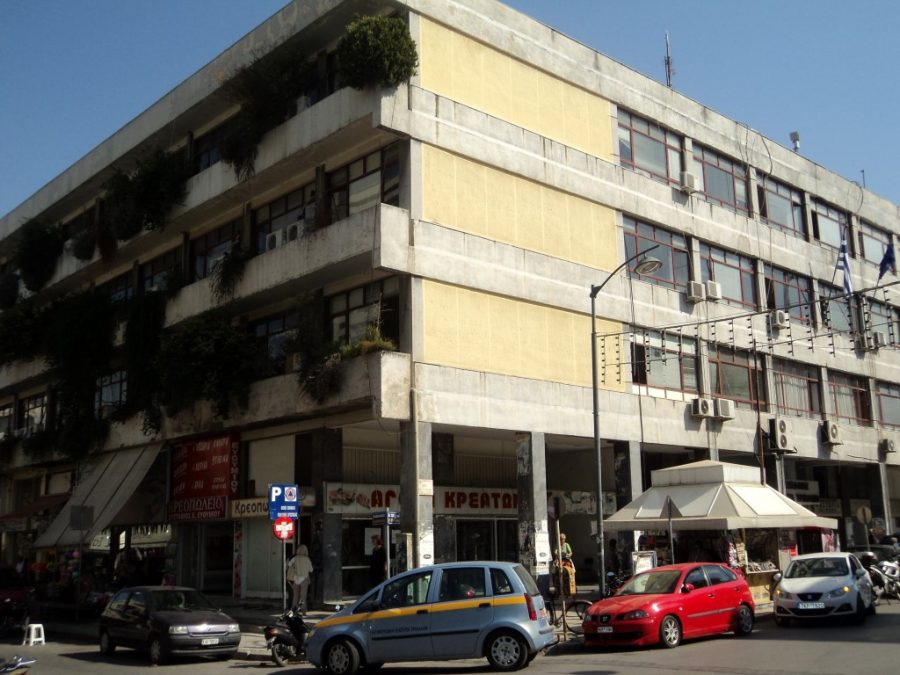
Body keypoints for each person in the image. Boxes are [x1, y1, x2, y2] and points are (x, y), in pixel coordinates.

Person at [286, 544, 314, 611]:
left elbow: (289, 564)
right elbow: (311, 570)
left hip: (296, 578)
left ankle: (293, 609)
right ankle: (303, 609)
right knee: (303, 596)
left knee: (295, 596)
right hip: (304, 578)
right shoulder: (307, 559)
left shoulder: (295, 558)